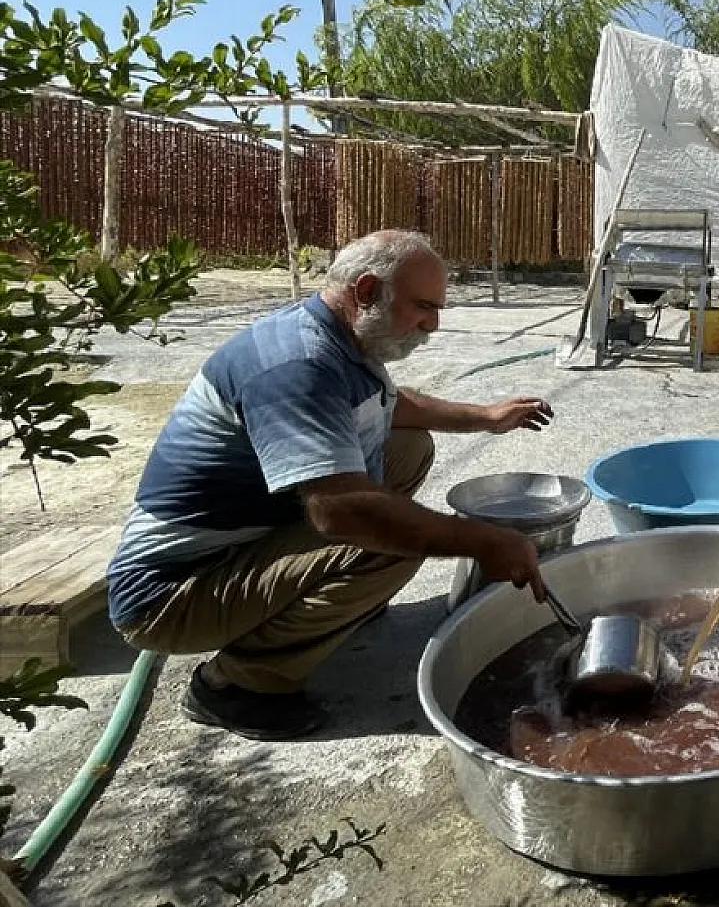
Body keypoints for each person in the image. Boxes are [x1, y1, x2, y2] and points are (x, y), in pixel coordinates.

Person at [106, 230, 554, 741]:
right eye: (423, 307)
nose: (432, 325)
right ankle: (235, 687)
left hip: (240, 541)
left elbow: (392, 406)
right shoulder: (298, 367)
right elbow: (340, 512)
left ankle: (331, 604)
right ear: (366, 291)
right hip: (172, 593)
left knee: (407, 448)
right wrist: (483, 540)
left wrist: (487, 417)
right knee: (386, 545)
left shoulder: (337, 335)